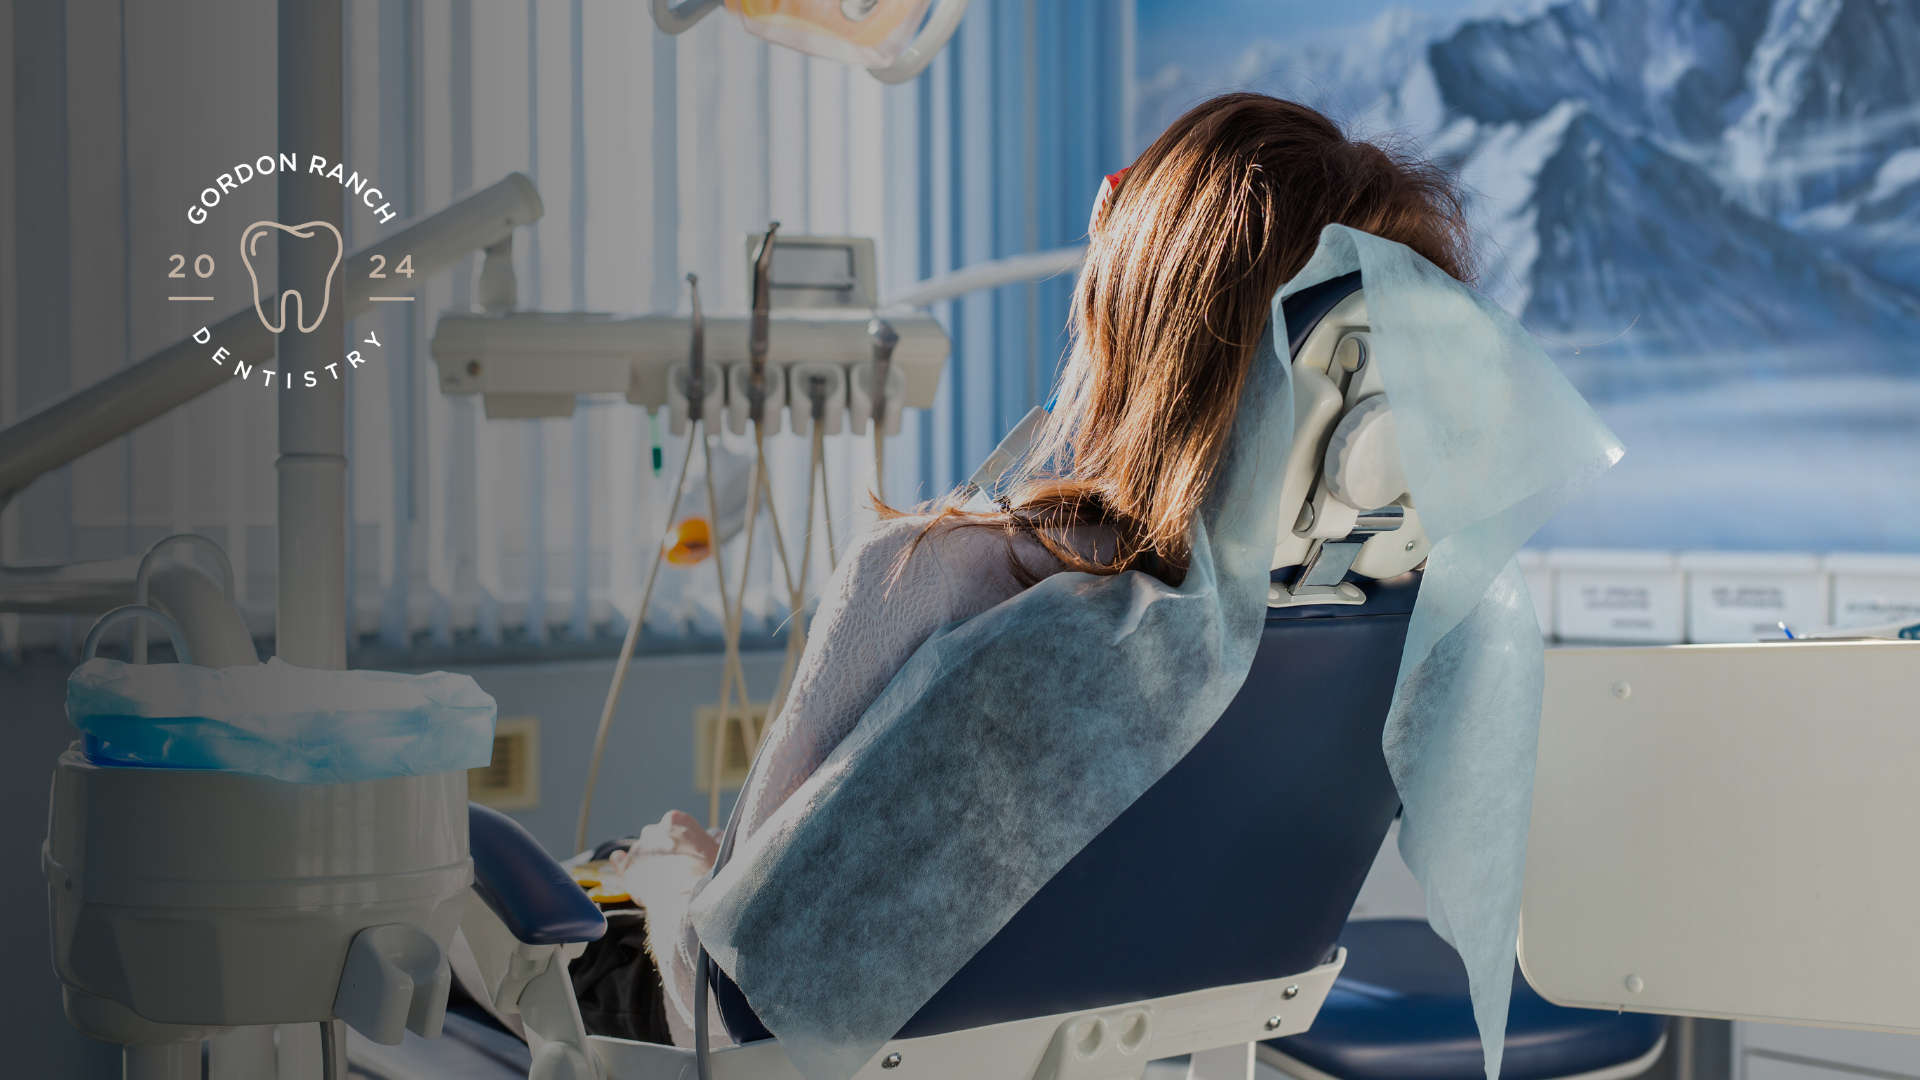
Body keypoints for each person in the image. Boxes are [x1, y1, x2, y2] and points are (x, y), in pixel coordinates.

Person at [610, 91, 1475, 1047]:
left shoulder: (930, 577)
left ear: (1139, 323)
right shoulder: (1388, 627)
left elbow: (726, 1003)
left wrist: (665, 881)